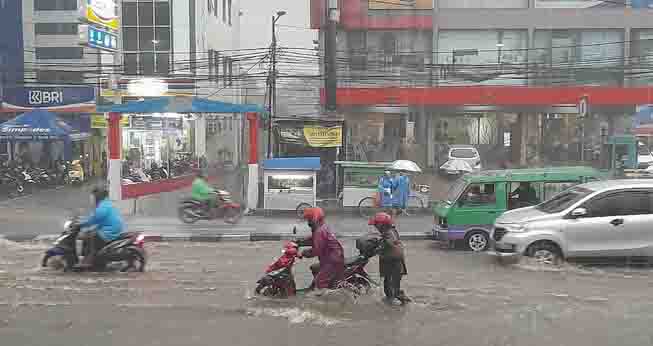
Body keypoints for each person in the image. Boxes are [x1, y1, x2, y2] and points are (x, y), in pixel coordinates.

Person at [299, 207, 345, 294]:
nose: (308, 222)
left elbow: (317, 250)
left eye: (309, 219)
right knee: (314, 268)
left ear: (314, 219)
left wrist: (305, 253)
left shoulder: (320, 231)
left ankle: (328, 299)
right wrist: (299, 242)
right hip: (330, 258)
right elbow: (313, 240)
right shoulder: (321, 227)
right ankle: (318, 289)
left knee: (320, 282)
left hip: (332, 260)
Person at [77, 187, 125, 268]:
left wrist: (81, 224)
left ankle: (89, 261)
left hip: (109, 231)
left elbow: (93, 220)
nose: (91, 200)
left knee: (92, 238)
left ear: (97, 197)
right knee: (89, 234)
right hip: (112, 228)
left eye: (92, 197)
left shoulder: (102, 207)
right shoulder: (105, 204)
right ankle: (91, 259)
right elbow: (100, 220)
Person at [368, 212, 409, 305]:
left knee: (392, 286)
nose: (375, 226)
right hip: (390, 263)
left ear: (382, 225)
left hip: (394, 264)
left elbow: (391, 243)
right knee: (389, 285)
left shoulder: (390, 233)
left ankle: (396, 306)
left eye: (376, 224)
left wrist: (380, 246)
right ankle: (394, 299)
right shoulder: (386, 233)